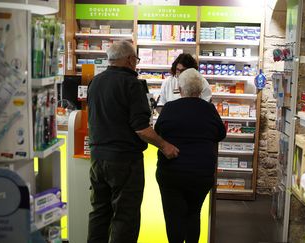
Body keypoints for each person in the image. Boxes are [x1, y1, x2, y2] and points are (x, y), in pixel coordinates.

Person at [87, 40, 179, 243]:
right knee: (125, 216)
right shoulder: (131, 84)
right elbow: (141, 129)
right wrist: (165, 146)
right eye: (136, 60)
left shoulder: (95, 82)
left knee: (99, 213)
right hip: (124, 161)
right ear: (129, 60)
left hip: (97, 159)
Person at [154, 68, 226, 243]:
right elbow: (220, 134)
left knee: (174, 217)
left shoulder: (170, 108)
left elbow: (159, 131)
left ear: (179, 87)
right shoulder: (209, 109)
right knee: (193, 213)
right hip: (201, 174)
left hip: (172, 172)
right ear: (201, 89)